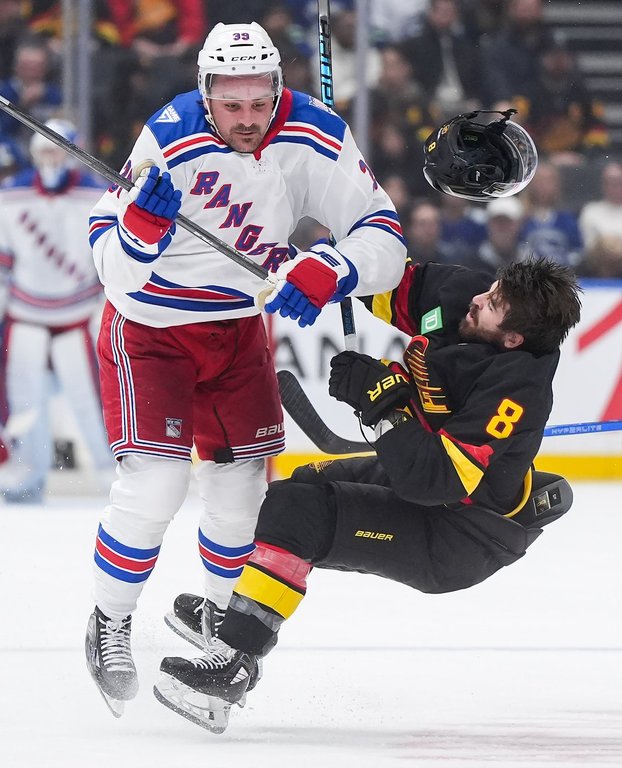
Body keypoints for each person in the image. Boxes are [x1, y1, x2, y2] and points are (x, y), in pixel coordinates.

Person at [153, 114, 582, 734]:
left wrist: (381, 401)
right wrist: (331, 266)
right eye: (487, 291)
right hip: (433, 484)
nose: (475, 303)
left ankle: (233, 669)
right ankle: (242, 615)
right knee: (293, 492)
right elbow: (385, 283)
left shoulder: (514, 391)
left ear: (512, 340)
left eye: (490, 310)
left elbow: (433, 481)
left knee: (302, 517)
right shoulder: (471, 296)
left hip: (460, 534)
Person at [83, 21, 406, 716]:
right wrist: (141, 233)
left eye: (260, 103)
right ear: (206, 93)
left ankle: (220, 633)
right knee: (157, 486)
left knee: (239, 499)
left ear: (275, 90)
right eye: (233, 106)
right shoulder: (169, 138)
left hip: (236, 331)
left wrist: (333, 267)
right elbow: (111, 268)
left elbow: (384, 235)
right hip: (153, 330)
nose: (249, 120)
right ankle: (109, 620)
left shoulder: (314, 131)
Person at [0, 119, 111, 503]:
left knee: (92, 400)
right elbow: (3, 259)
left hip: (78, 314)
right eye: (45, 149)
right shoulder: (9, 195)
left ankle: (111, 475)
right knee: (23, 401)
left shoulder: (97, 195)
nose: (52, 158)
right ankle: (26, 475)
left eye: (60, 149)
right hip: (25, 312)